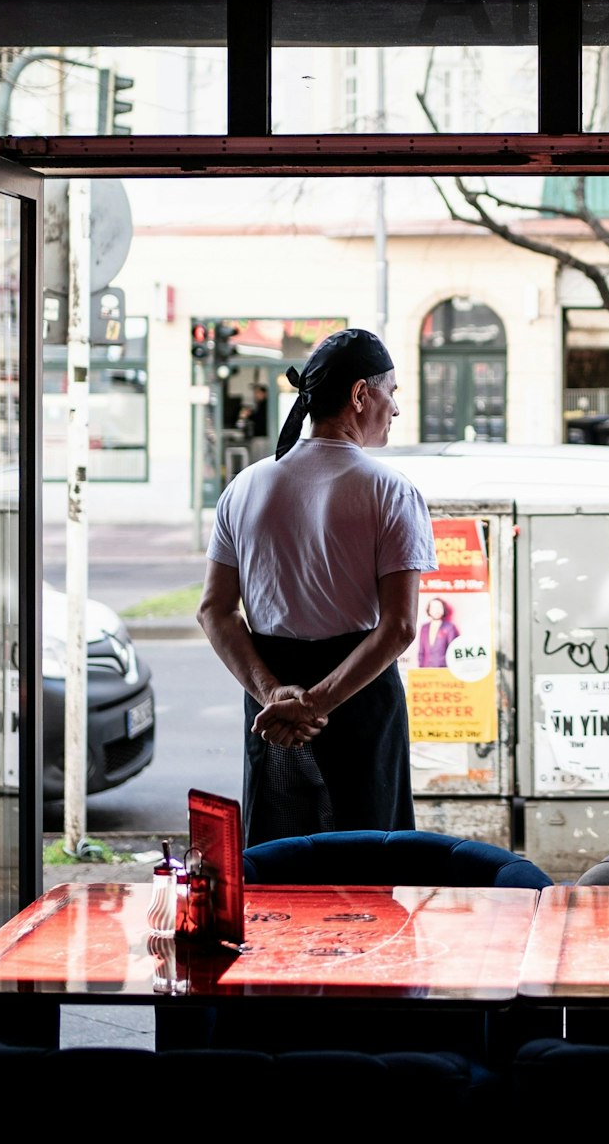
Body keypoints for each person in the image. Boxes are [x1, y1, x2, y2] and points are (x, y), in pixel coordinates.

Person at [197, 327, 436, 844]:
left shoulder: (245, 486)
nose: (394, 408)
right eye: (391, 392)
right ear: (359, 395)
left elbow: (214, 611)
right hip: (357, 697)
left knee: (279, 865)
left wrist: (276, 696)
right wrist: (316, 704)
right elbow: (397, 627)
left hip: (271, 704)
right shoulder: (389, 491)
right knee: (371, 865)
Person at [415, 596, 458, 669]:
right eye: (434, 607)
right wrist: (421, 668)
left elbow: (452, 651)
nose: (436, 610)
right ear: (429, 610)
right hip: (426, 670)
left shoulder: (450, 627)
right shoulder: (424, 627)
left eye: (439, 607)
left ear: (443, 609)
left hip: (443, 670)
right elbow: (421, 651)